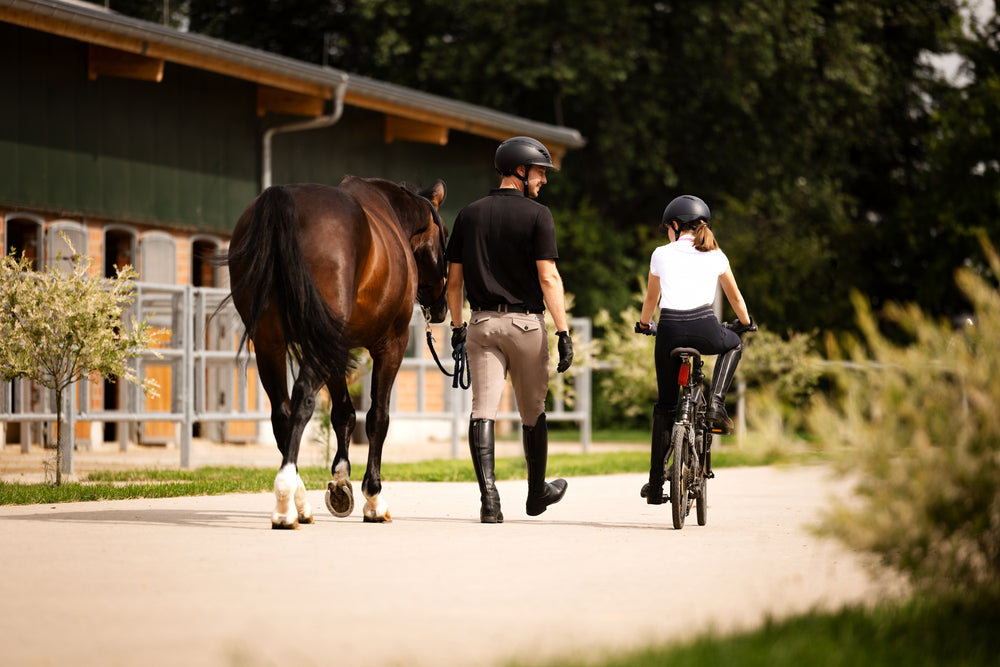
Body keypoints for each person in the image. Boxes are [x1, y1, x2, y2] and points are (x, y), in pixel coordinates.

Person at [446, 136, 574, 523]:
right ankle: (537, 495)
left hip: (482, 324)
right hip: (525, 325)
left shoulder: (468, 214)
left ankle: (489, 502)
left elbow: (453, 283)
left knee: (481, 411)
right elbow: (548, 277)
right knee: (533, 413)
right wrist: (564, 332)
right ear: (520, 170)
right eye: (539, 172)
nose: (543, 181)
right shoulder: (539, 216)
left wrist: (456, 327)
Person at [635, 194, 753, 504]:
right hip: (705, 327)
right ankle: (715, 403)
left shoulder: (660, 253)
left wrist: (645, 324)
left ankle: (656, 483)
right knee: (735, 344)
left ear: (675, 225)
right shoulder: (716, 255)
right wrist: (745, 322)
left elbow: (651, 301)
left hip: (670, 329)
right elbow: (737, 299)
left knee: (664, 407)